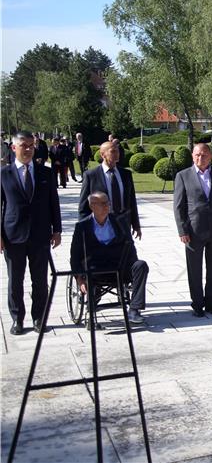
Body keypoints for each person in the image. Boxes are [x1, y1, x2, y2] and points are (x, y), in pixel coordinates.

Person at [1, 131, 62, 335]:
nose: (27, 149)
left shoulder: (45, 172)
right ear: (13, 148)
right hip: (13, 236)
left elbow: (54, 202)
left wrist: (58, 229)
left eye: (30, 145)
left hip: (40, 235)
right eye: (23, 145)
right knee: (15, 281)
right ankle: (17, 319)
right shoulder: (4, 174)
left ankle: (39, 318)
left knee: (40, 281)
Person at [70, 192, 149, 325]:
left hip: (119, 267)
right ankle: (91, 309)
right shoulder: (82, 227)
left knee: (141, 265)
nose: (107, 206)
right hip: (95, 270)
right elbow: (75, 255)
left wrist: (134, 263)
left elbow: (130, 246)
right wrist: (79, 278)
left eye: (107, 202)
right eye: (102, 203)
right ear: (92, 206)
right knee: (87, 271)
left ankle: (134, 309)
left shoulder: (119, 222)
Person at [173, 143, 212, 317]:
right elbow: (178, 207)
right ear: (192, 156)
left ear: (211, 157)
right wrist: (182, 230)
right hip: (193, 230)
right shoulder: (183, 176)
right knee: (195, 269)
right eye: (198, 155)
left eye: (204, 155)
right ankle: (197, 304)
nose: (201, 158)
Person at [79, 141, 142, 239]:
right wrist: (83, 229)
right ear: (102, 154)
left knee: (126, 253)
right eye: (113, 151)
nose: (117, 154)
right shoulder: (91, 176)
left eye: (118, 151)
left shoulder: (126, 174)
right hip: (102, 225)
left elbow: (132, 201)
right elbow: (83, 206)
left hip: (123, 224)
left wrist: (136, 225)